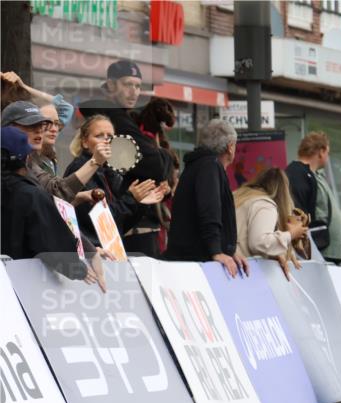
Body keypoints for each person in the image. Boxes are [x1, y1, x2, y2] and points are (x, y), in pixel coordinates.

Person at [1, 127, 108, 287]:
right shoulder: (31, 195)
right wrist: (78, 269)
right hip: (21, 285)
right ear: (26, 157)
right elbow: (50, 241)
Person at [64, 114, 163, 247]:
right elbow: (100, 221)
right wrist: (131, 198)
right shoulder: (80, 169)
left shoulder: (108, 171)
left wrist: (140, 203)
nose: (106, 140)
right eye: (99, 135)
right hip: (92, 254)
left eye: (110, 136)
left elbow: (119, 224)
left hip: (109, 253)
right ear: (85, 142)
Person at [166, 119, 248, 277]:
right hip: (196, 263)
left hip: (191, 259)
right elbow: (209, 210)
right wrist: (216, 251)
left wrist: (227, 251)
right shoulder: (209, 166)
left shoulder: (198, 165)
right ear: (230, 147)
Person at [234, 167, 309, 261]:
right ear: (283, 190)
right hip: (242, 268)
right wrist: (291, 234)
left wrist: (275, 254)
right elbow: (259, 242)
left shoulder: (240, 197)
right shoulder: (265, 204)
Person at [285, 131, 329, 250]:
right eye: (327, 153)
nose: (327, 157)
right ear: (321, 152)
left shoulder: (300, 173)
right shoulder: (301, 175)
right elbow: (298, 211)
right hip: (303, 245)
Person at [315, 163, 341, 264]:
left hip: (333, 250)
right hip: (326, 249)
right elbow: (320, 215)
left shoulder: (321, 177)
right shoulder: (316, 178)